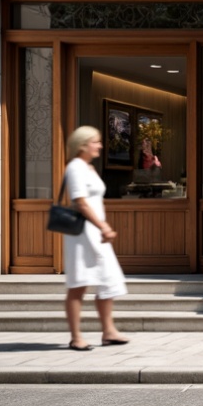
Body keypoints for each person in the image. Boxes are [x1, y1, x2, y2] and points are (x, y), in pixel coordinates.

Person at [62, 125, 129, 350]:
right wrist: (103, 226)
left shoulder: (89, 168)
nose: (100, 145)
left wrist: (102, 227)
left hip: (97, 233)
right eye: (95, 141)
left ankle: (108, 331)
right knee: (79, 284)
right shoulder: (75, 168)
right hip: (82, 234)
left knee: (107, 280)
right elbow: (80, 202)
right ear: (82, 144)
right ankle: (76, 337)